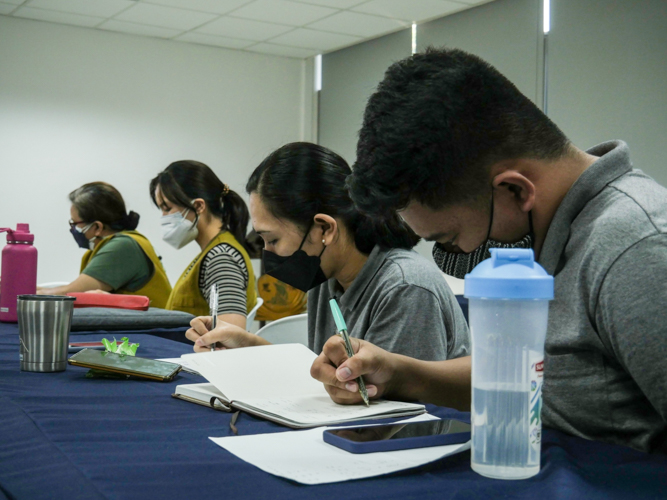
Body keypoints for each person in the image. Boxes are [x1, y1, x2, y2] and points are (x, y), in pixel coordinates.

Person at [310, 48, 667, 454]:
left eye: (449, 236)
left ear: (514, 190)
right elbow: (529, 376)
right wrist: (395, 372)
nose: (455, 254)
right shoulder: (556, 238)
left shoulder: (635, 250)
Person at [185, 142, 470, 362]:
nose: (269, 252)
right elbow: (324, 374)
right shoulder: (327, 280)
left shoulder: (405, 287)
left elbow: (400, 416)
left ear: (323, 229)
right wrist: (248, 344)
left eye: (272, 239)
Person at [150, 160, 257, 329]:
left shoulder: (221, 257)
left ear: (199, 206)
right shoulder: (214, 250)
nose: (164, 217)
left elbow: (230, 335)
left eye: (167, 208)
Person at [38, 182, 171, 307]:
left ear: (97, 227)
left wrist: (26, 292)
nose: (73, 229)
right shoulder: (125, 241)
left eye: (75, 224)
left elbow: (71, 294)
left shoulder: (122, 246)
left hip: (150, 330)